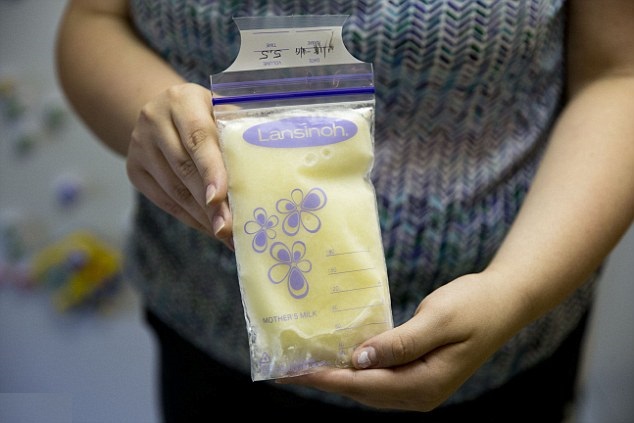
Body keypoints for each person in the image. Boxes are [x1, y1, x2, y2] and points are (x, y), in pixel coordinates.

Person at [55, 0, 634, 421]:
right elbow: (95, 19)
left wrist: (515, 291)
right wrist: (156, 122)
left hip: (498, 350)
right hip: (214, 334)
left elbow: (618, 74)